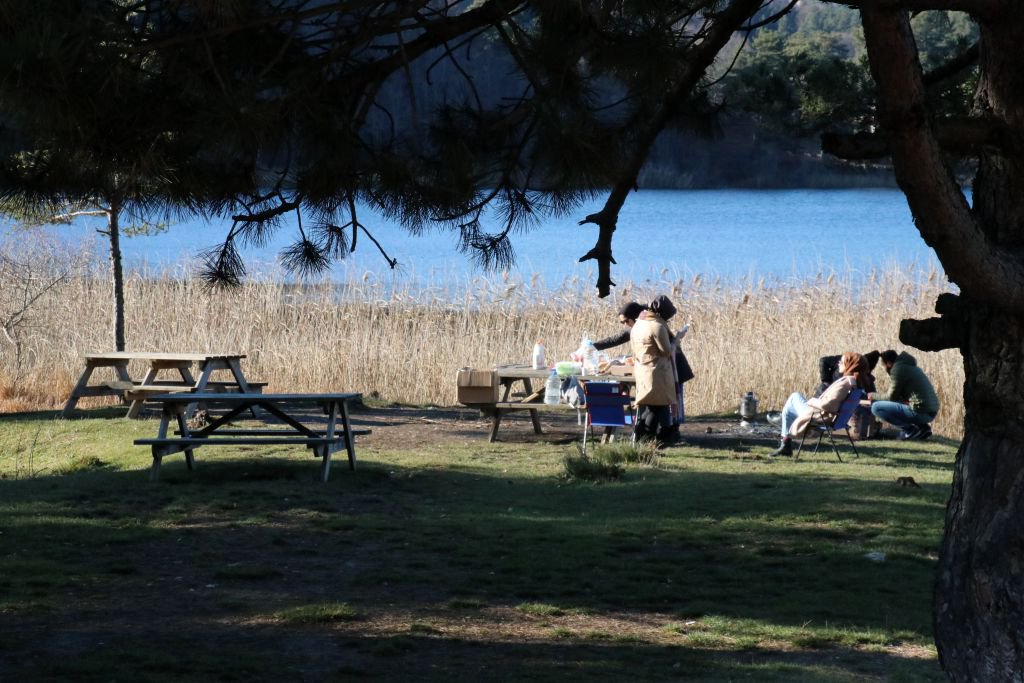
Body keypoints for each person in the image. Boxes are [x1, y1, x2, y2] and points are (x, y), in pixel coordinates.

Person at [770, 351, 871, 457]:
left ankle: (785, 442)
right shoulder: (856, 384)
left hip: (821, 416)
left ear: (850, 365)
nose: (838, 364)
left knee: (793, 398)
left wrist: (811, 401)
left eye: (841, 361)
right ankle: (785, 436)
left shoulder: (845, 384)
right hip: (833, 418)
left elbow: (828, 405)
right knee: (791, 407)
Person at [630, 295, 678, 444]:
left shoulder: (639, 324)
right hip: (657, 373)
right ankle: (644, 439)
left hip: (642, 370)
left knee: (650, 406)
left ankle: (643, 438)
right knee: (655, 408)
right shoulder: (657, 326)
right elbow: (666, 351)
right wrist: (676, 341)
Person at [868, 349, 939, 440]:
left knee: (876, 407)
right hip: (930, 411)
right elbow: (898, 396)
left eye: (884, 366)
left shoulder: (898, 370)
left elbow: (891, 396)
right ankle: (922, 427)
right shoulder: (910, 367)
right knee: (898, 401)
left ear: (888, 363)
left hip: (920, 412)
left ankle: (909, 430)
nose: (885, 368)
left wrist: (873, 395)